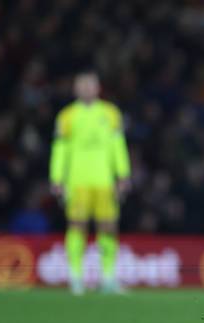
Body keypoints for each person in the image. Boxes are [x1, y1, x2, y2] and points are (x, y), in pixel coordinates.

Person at [50, 71, 131, 295]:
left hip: (104, 181)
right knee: (77, 226)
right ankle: (76, 278)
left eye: (90, 85)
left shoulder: (111, 113)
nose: (86, 88)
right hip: (77, 182)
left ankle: (108, 279)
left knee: (109, 228)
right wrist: (57, 178)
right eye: (82, 85)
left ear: (98, 88)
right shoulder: (66, 116)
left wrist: (123, 175)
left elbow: (118, 145)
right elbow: (60, 149)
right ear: (75, 89)